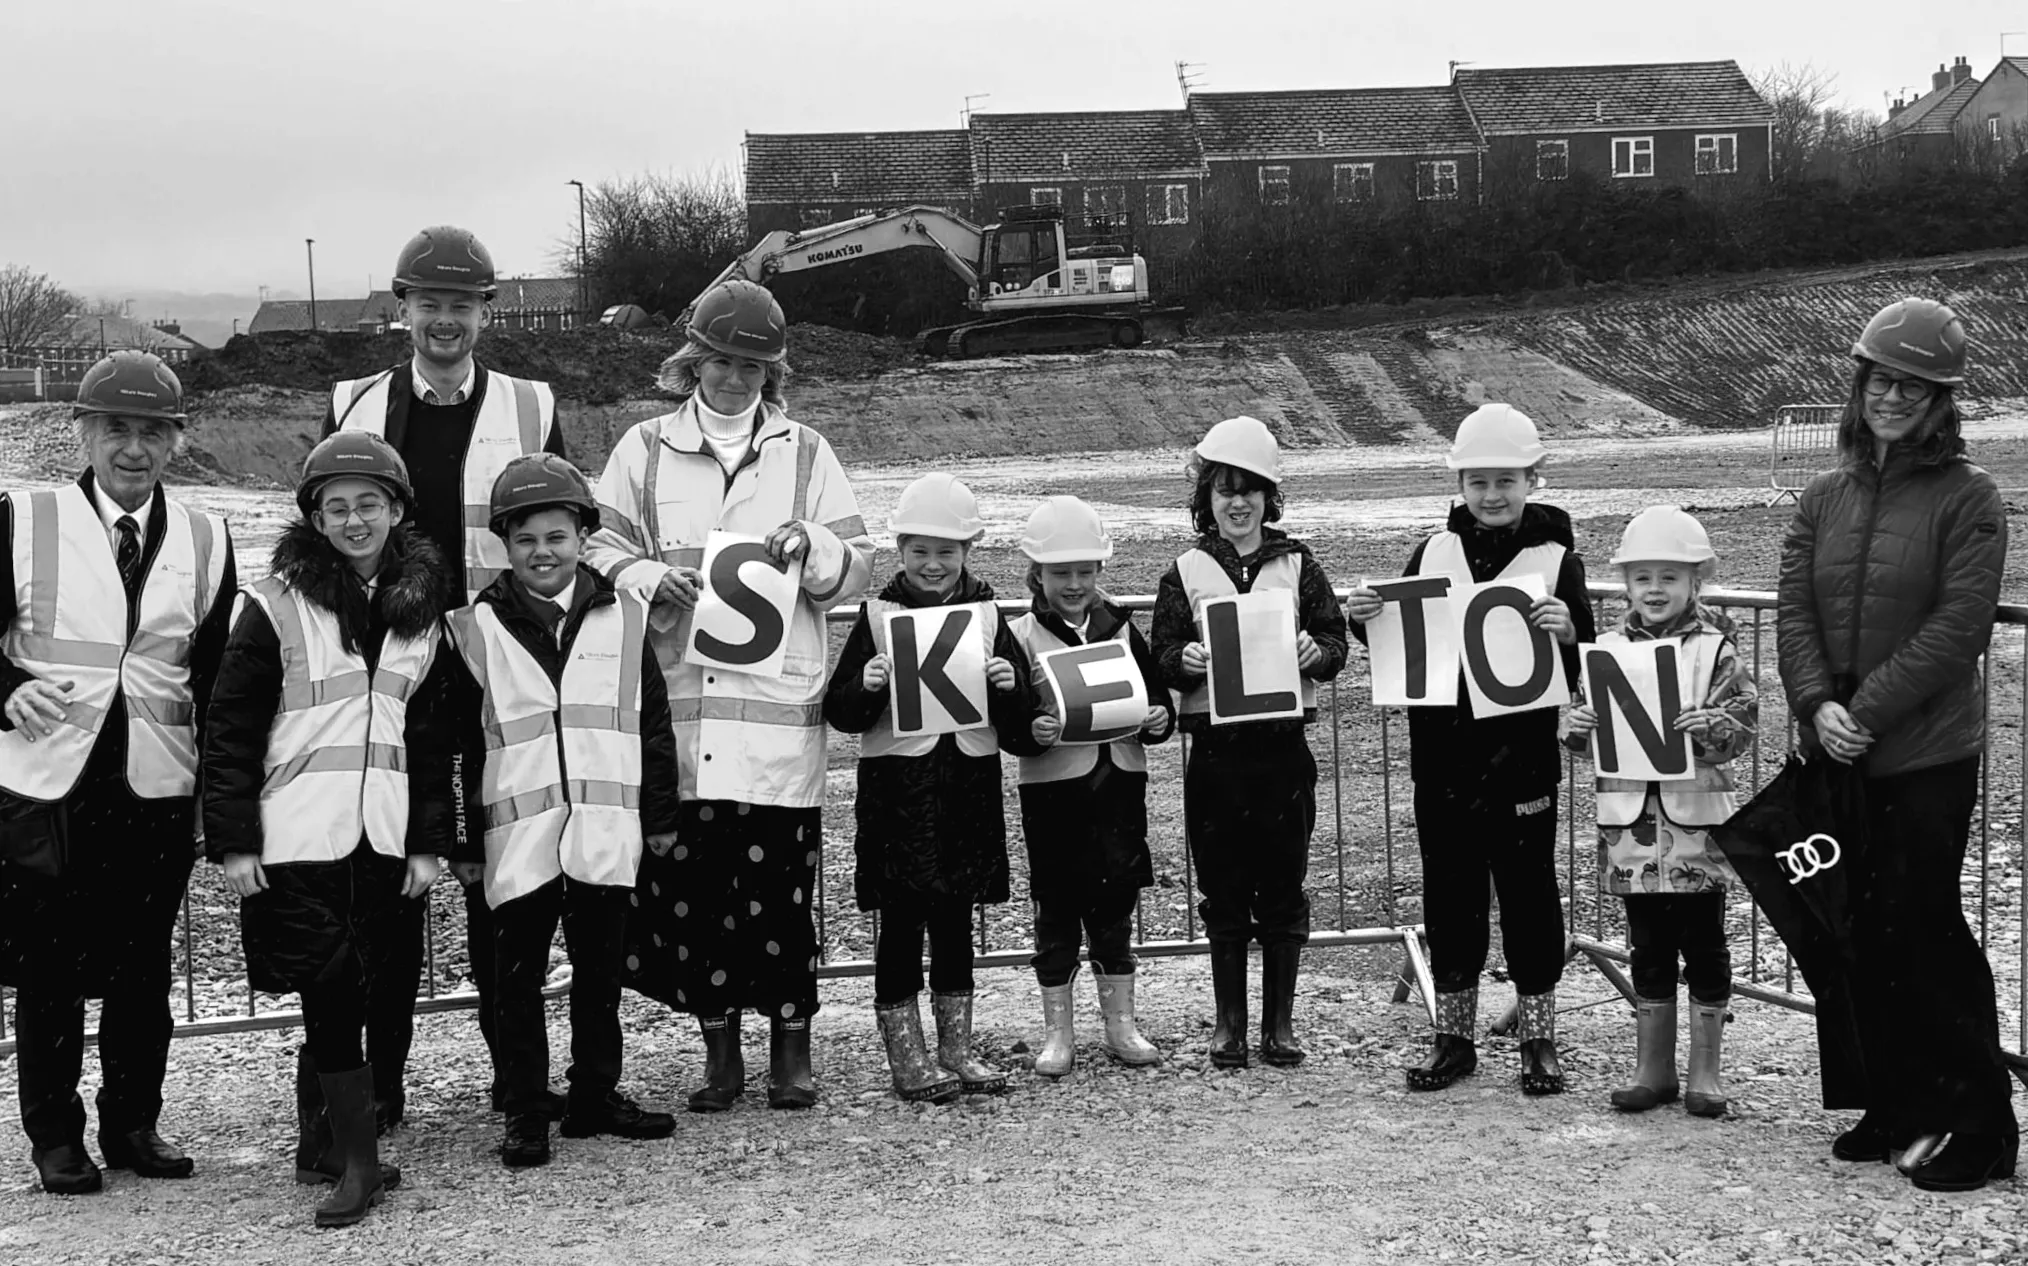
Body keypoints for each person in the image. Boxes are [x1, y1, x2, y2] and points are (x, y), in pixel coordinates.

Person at [585, 280, 873, 1111]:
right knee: (696, 905)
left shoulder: (807, 452)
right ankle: (721, 1054)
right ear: (693, 362)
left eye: (753, 365)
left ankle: (792, 1051)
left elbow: (857, 566)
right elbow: (599, 543)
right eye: (722, 361)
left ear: (772, 373)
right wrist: (646, 576)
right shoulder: (642, 448)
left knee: (781, 907)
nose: (737, 378)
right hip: (681, 720)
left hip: (776, 733)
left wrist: (812, 544)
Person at [323, 225, 570, 1131]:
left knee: (501, 878)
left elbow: (561, 523)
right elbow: (325, 534)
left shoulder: (532, 405)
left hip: (496, 669)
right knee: (388, 880)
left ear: (483, 313)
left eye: (461, 305)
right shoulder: (351, 402)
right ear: (404, 310)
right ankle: (379, 1084)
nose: (444, 321)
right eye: (429, 304)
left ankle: (518, 1085)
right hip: (391, 671)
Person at [1776, 297, 2016, 1191]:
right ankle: (1899, 1105)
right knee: (1862, 935)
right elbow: (1795, 607)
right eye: (1883, 380)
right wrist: (1811, 705)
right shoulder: (1824, 496)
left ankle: (1983, 1125)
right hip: (1837, 752)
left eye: (1914, 387)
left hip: (1922, 757)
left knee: (1926, 932)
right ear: (1861, 385)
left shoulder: (1971, 498)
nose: (1893, 398)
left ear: (1940, 401)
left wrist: (1862, 712)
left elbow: (1959, 628)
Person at [0, 352, 236, 1195]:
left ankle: (133, 1122)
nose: (133, 448)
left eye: (152, 432)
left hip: (154, 789)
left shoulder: (207, 538)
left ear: (175, 441)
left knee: (143, 971)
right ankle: (56, 1137)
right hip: (49, 788)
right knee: (51, 971)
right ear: (85, 432)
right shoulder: (21, 518)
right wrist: (8, 693)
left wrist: (221, 794)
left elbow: (212, 674)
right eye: (116, 429)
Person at [202, 432, 446, 1227]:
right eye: (335, 506)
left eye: (368, 503)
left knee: (372, 990)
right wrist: (234, 839)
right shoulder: (275, 605)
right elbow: (231, 726)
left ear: (397, 510)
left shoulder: (420, 612)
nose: (352, 519)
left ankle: (328, 1146)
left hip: (381, 840)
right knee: (332, 990)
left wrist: (428, 841)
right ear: (314, 517)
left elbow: (431, 739)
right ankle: (358, 1163)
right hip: (295, 838)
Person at [436, 454, 683, 1167]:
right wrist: (460, 839)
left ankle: (594, 1094)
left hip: (605, 832)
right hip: (516, 840)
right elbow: (455, 747)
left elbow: (652, 725)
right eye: (525, 541)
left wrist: (660, 817)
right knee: (514, 985)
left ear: (582, 536)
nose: (542, 553)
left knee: (600, 975)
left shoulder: (626, 616)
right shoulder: (473, 629)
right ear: (503, 546)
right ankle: (524, 1108)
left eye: (556, 536)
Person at [1345, 403, 1591, 1095]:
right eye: (1478, 481)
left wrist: (1569, 630)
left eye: (1505, 480)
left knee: (1529, 895)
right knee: (1451, 896)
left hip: (1524, 761)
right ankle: (1452, 1036)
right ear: (1460, 484)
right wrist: (1364, 621)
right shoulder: (1430, 551)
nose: (1491, 494)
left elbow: (1587, 658)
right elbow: (1407, 647)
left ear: (1530, 479)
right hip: (1446, 761)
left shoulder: (1556, 559)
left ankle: (1539, 1038)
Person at [823, 474, 1036, 1101]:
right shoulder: (877, 616)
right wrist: (865, 683)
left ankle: (956, 1050)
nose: (933, 564)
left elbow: (1023, 724)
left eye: (946, 552)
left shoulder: (990, 617)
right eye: (920, 551)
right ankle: (907, 1060)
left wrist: (1009, 686)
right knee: (900, 926)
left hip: (967, 792)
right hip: (898, 797)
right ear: (901, 551)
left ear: (968, 552)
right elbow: (840, 712)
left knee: (954, 924)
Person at [1150, 416, 1348, 1070]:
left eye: (1251, 490)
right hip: (1215, 757)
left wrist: (1313, 652)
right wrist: (1187, 663)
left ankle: (1280, 1027)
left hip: (1282, 756)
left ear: (1270, 497)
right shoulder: (1183, 571)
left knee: (1283, 885)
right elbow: (1161, 655)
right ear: (1205, 497)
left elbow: (1336, 643)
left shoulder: (1299, 564)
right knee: (1225, 888)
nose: (1238, 502)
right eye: (1224, 490)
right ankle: (1229, 1026)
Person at [1563, 507, 1756, 1118]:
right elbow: (1580, 728)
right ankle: (1653, 1069)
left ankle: (1705, 1072)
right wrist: (1572, 727)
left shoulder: (1718, 648)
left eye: (1669, 577)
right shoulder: (1608, 651)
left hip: (1698, 826)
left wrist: (1715, 726)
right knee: (1646, 945)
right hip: (1630, 828)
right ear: (1626, 584)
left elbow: (1745, 725)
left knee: (1705, 944)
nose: (1654, 589)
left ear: (1696, 582)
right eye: (1642, 576)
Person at [1007, 495, 1172, 1075]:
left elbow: (1156, 700)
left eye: (1083, 571)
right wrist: (1033, 729)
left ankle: (1121, 1026)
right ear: (1038, 574)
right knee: (1056, 911)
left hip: (1118, 790)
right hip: (1053, 798)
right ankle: (1059, 1034)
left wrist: (1159, 721)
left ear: (1100, 572)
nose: (1073, 583)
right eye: (1060, 573)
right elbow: (1011, 728)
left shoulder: (1123, 627)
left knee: (1114, 909)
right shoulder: (1021, 634)